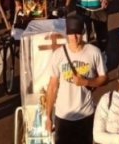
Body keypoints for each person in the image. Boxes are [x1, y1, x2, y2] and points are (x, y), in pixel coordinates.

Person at [45, 14, 108, 144]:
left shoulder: (94, 52)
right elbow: (52, 87)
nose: (74, 38)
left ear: (83, 33)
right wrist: (48, 116)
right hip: (63, 116)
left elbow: (104, 78)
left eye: (77, 34)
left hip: (85, 115)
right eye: (71, 34)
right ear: (66, 34)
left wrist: (86, 82)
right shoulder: (58, 55)